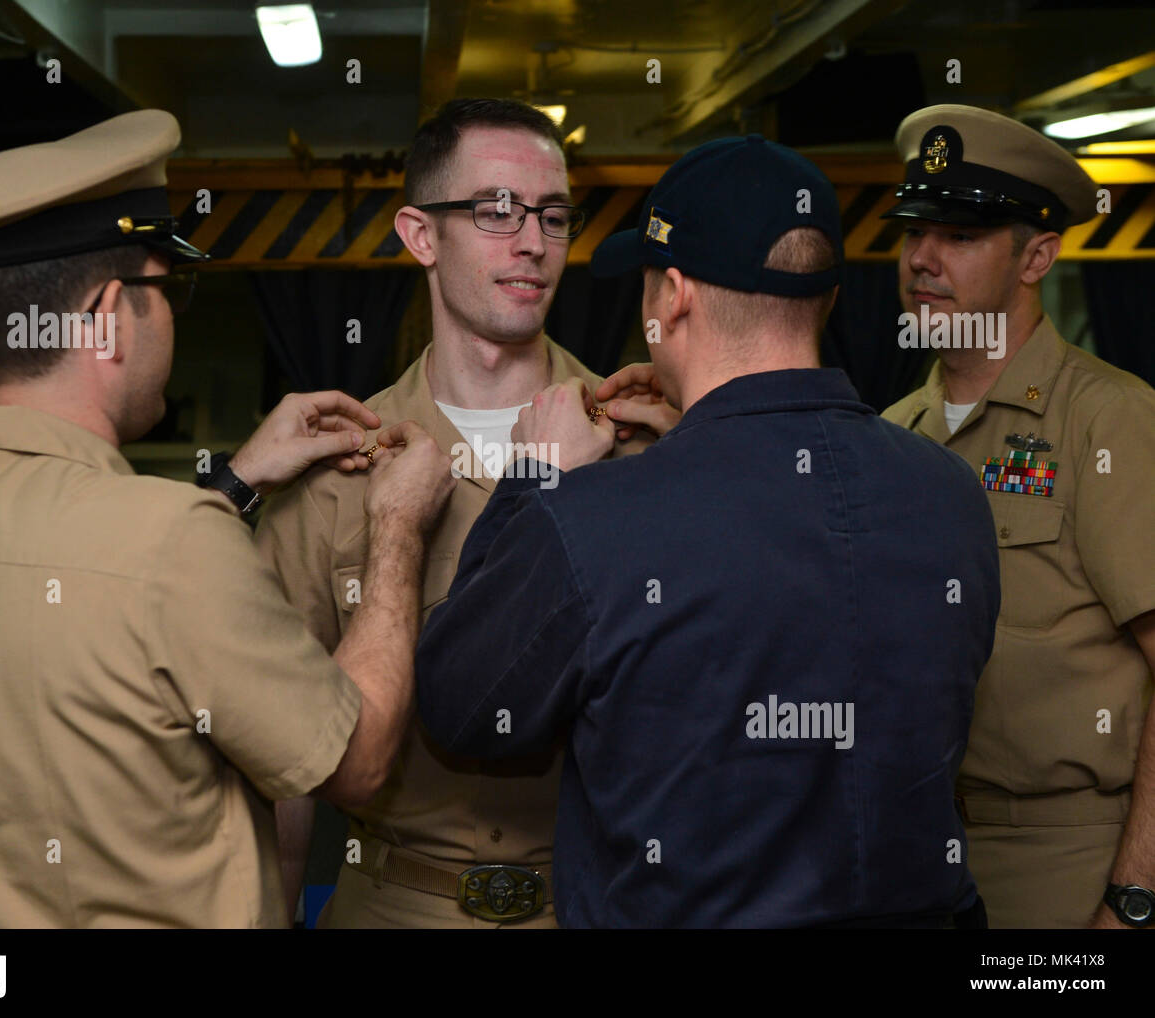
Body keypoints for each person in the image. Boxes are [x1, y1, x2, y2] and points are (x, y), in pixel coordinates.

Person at [0, 109, 454, 927]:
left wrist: (237, 480)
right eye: (165, 291)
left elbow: (91, 596)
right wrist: (398, 529)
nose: (171, 316)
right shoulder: (169, 544)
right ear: (107, 313)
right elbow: (355, 761)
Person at [416, 134, 1001, 928]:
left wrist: (535, 476)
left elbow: (463, 708)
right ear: (824, 299)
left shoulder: (595, 517)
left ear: (675, 297)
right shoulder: (951, 492)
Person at [254, 98, 655, 928]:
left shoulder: (639, 447)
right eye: (495, 210)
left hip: (594, 902)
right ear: (420, 236)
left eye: (551, 215)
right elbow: (279, 766)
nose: (533, 243)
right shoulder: (336, 469)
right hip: (394, 901)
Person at [879, 104, 1155, 929]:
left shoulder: (1108, 422)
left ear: (1038, 255)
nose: (923, 258)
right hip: (920, 863)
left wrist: (1135, 898)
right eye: (914, 229)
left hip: (1072, 864)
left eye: (960, 235)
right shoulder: (894, 435)